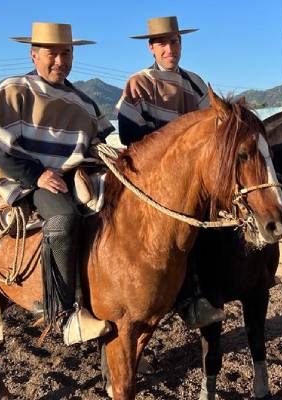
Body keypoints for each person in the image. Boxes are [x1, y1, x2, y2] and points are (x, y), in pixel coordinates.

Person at [0, 22, 114, 345]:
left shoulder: (85, 103)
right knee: (64, 218)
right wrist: (37, 175)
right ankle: (65, 314)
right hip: (26, 181)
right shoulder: (14, 90)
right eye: (52, 53)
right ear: (34, 55)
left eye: (66, 53)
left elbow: (103, 141)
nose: (60, 61)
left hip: (72, 179)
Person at [115, 16, 225, 329]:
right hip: (151, 177)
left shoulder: (196, 84)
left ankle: (198, 294)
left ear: (180, 43)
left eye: (174, 41)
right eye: (161, 43)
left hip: (189, 178)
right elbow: (128, 133)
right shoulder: (139, 82)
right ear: (151, 48)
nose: (169, 48)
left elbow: (213, 127)